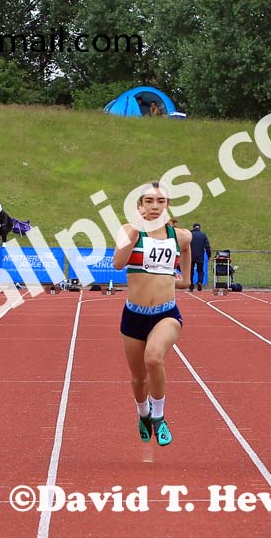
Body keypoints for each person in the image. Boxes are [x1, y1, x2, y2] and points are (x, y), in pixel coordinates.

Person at [113, 183, 192, 446]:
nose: (154, 206)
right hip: (134, 315)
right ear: (140, 206)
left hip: (166, 314)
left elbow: (188, 249)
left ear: (167, 205)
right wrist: (136, 228)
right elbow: (118, 262)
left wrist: (185, 278)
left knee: (154, 358)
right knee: (138, 379)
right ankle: (143, 414)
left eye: (160, 201)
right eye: (148, 201)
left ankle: (159, 417)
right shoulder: (129, 231)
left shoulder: (179, 236)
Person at [188, 223, 211, 291]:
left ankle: (191, 285)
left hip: (190, 256)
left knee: (191, 271)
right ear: (199, 228)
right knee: (200, 270)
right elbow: (207, 246)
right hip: (200, 256)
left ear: (193, 227)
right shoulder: (203, 235)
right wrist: (209, 255)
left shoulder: (190, 234)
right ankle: (200, 282)